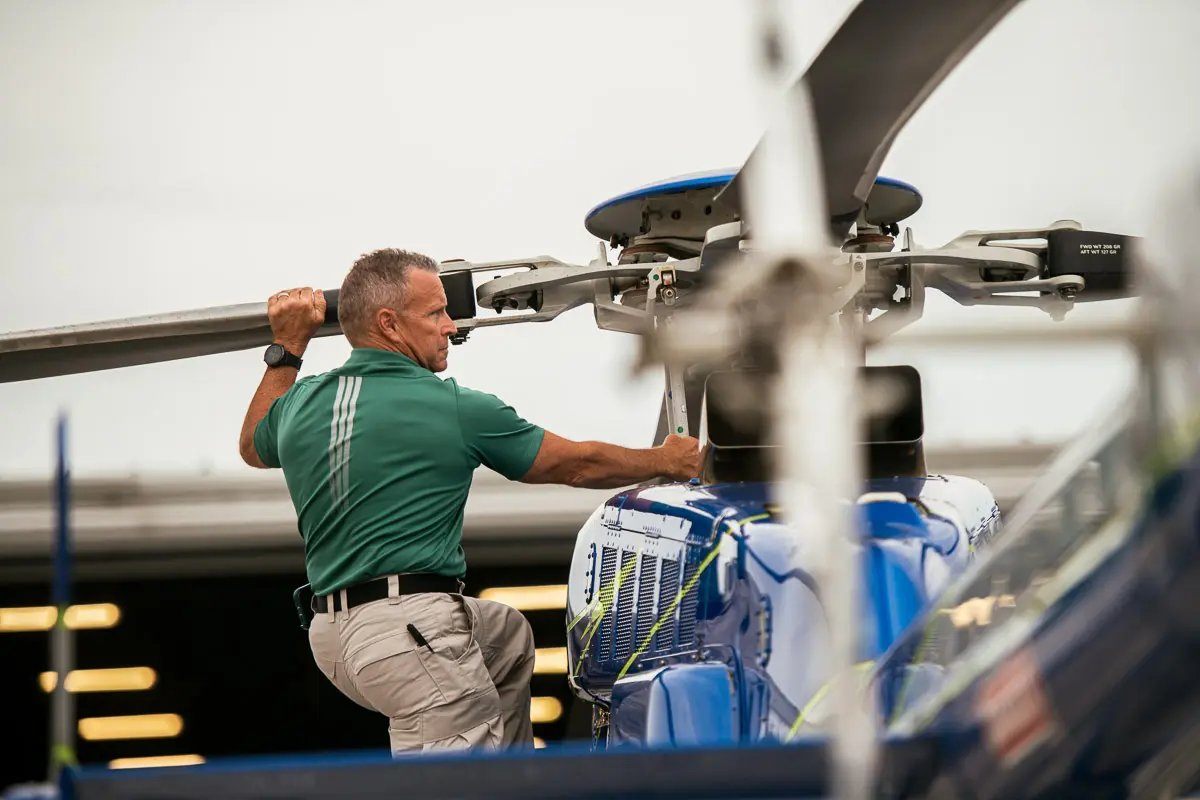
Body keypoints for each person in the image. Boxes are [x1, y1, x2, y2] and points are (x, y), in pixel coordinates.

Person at [238, 248, 702, 754]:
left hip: (334, 639)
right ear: (389, 325)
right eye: (435, 312)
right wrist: (665, 460)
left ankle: (520, 783)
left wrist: (288, 345)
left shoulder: (301, 401)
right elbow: (573, 464)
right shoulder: (453, 407)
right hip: (408, 631)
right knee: (458, 787)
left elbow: (252, 447)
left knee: (506, 636)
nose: (451, 326)